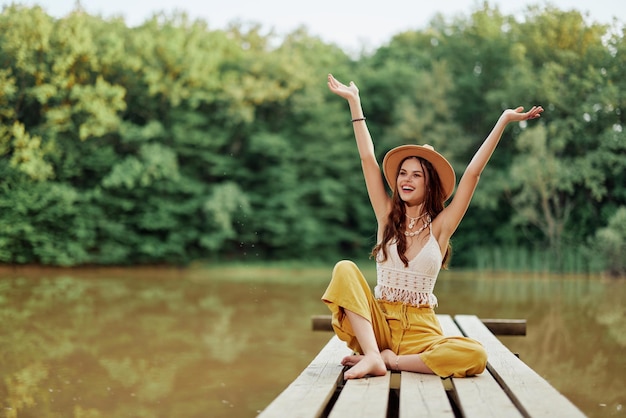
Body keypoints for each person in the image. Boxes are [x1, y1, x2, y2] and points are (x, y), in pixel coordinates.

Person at [322, 73, 543, 380]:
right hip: (380, 326)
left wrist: (503, 122)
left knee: (475, 354)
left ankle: (392, 362)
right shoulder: (387, 217)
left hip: (421, 334)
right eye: (403, 173)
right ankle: (373, 356)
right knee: (345, 268)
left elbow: (473, 175)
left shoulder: (441, 227)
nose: (406, 179)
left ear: (430, 185)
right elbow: (367, 158)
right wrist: (355, 103)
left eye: (416, 175)